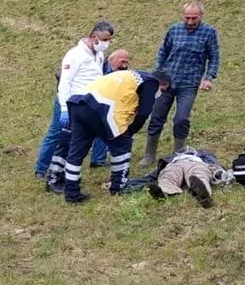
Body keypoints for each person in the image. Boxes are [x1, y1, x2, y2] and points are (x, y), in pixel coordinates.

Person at [60, 69, 171, 203]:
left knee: (77, 151)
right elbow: (144, 112)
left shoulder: (131, 76)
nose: (160, 94)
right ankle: (118, 187)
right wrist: (132, 130)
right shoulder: (151, 82)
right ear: (162, 83)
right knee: (122, 144)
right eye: (163, 90)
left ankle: (71, 193)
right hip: (101, 107)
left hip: (78, 102)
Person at [140, 2, 220, 167]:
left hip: (189, 84)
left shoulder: (209, 32)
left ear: (201, 16)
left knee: (181, 119)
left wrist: (208, 78)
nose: (190, 21)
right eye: (187, 17)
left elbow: (214, 56)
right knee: (156, 117)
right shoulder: (174, 29)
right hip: (167, 82)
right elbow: (163, 52)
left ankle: (179, 155)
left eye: (194, 18)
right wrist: (158, 76)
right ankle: (149, 155)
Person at [34, 47, 130, 178]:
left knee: (104, 127)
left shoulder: (117, 72)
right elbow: (63, 78)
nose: (125, 66)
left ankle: (98, 160)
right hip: (69, 100)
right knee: (56, 133)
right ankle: (41, 169)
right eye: (122, 62)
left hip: (93, 102)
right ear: (112, 59)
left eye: (126, 63)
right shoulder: (94, 65)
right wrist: (64, 107)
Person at [44, 21, 116, 192]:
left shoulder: (98, 55)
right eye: (104, 39)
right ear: (93, 36)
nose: (106, 43)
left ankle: (67, 177)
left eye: (109, 40)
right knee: (65, 142)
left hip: (88, 106)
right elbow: (65, 83)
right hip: (72, 105)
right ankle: (53, 177)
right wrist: (64, 109)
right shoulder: (74, 55)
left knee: (77, 144)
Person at [149, 152, 214, 207]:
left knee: (168, 177)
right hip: (195, 163)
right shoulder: (205, 155)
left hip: (176, 164)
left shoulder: (171, 157)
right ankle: (203, 194)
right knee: (200, 174)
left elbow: (153, 175)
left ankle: (165, 191)